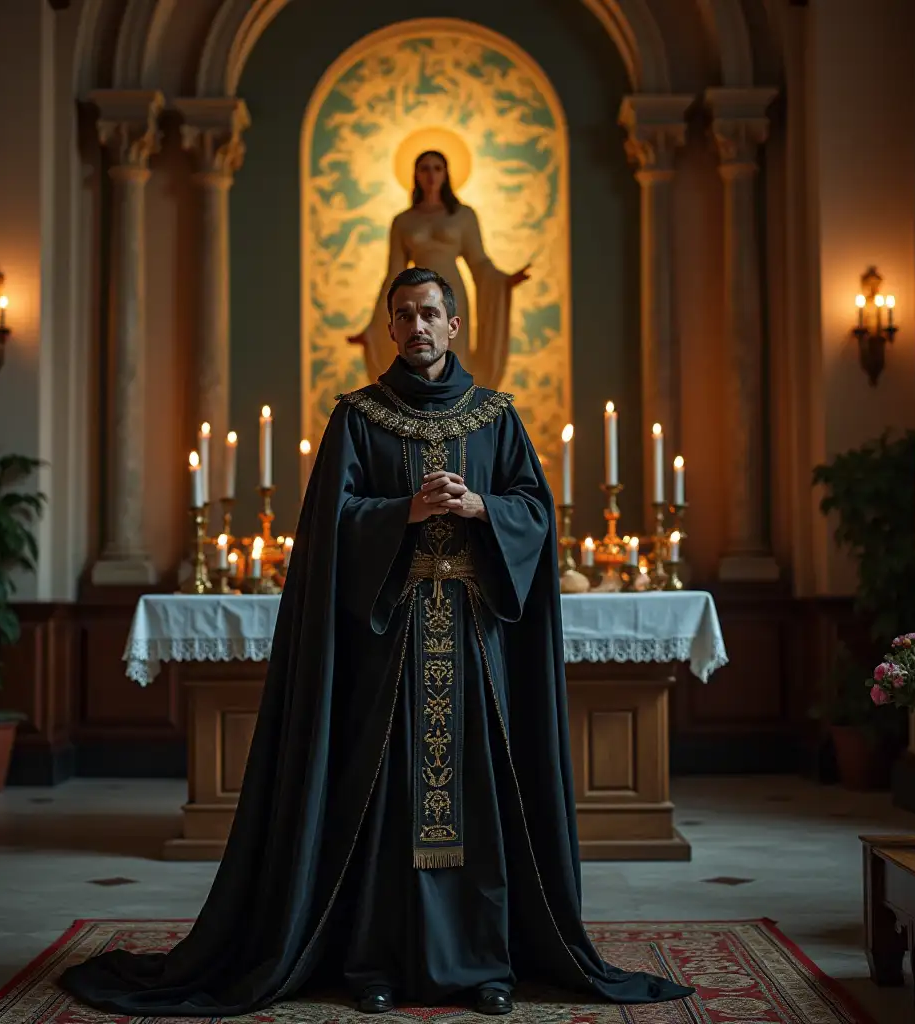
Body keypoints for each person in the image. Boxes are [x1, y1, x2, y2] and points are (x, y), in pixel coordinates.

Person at [58, 266, 694, 1018]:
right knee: (383, 810)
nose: (417, 327)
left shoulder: (495, 418)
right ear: (388, 329)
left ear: (456, 326)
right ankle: (373, 964)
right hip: (386, 650)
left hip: (474, 651)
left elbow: (535, 510)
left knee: (480, 809)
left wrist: (483, 506)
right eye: (403, 315)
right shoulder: (359, 416)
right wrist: (404, 514)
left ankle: (484, 965)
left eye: (430, 313)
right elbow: (331, 527)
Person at [348, 150, 530, 389]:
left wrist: (503, 281)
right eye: (424, 168)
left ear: (446, 174)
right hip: (416, 295)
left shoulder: (463, 215)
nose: (431, 175)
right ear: (415, 175)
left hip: (451, 293)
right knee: (420, 349)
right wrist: (373, 328)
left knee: (452, 351)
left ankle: (454, 410)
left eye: (437, 168)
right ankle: (423, 413)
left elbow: (479, 262)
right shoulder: (403, 221)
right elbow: (393, 274)